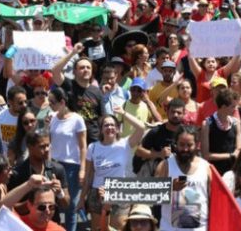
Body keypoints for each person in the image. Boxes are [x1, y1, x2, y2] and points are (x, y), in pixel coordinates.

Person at [78, 107, 146, 230]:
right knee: (98, 229)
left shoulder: (125, 144)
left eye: (113, 125)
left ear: (117, 128)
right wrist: (82, 199)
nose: (110, 128)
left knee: (118, 228)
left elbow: (141, 128)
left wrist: (124, 113)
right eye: (106, 125)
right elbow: (88, 176)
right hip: (98, 193)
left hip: (119, 192)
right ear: (101, 129)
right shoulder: (93, 147)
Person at [8, 131, 70, 227]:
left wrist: (59, 193)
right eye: (42, 146)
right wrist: (36, 201)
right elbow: (11, 208)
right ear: (30, 147)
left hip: (51, 224)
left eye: (48, 145)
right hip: (26, 226)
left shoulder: (57, 169)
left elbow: (66, 204)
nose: (46, 149)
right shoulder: (18, 173)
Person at [156, 125, 212, 231]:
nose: (185, 149)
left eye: (189, 145)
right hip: (170, 228)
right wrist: (170, 187)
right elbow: (151, 194)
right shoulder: (166, 166)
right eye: (181, 145)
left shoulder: (206, 167)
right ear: (175, 144)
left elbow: (213, 200)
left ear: (197, 145)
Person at [47, 86, 86, 231]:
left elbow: (83, 146)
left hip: (71, 166)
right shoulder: (51, 118)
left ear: (62, 102)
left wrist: (82, 169)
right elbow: (48, 143)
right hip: (54, 165)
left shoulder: (77, 119)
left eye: (52, 102)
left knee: (71, 206)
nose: (50, 105)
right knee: (53, 203)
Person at [134, 98, 185, 176]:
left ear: (184, 114)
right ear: (167, 111)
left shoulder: (187, 133)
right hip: (157, 177)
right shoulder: (156, 131)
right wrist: (159, 154)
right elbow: (139, 151)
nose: (175, 115)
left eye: (179, 112)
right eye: (173, 112)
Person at [200, 88, 241, 175]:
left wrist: (234, 155)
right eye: (233, 106)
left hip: (233, 172)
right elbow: (206, 155)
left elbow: (239, 148)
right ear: (223, 107)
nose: (236, 109)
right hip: (214, 172)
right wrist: (230, 156)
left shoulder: (236, 123)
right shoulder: (207, 124)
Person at [1, 181, 65, 231]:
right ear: (29, 205)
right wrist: (28, 184)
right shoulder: (16, 223)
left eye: (51, 207)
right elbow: (1, 207)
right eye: (42, 207)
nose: (47, 211)